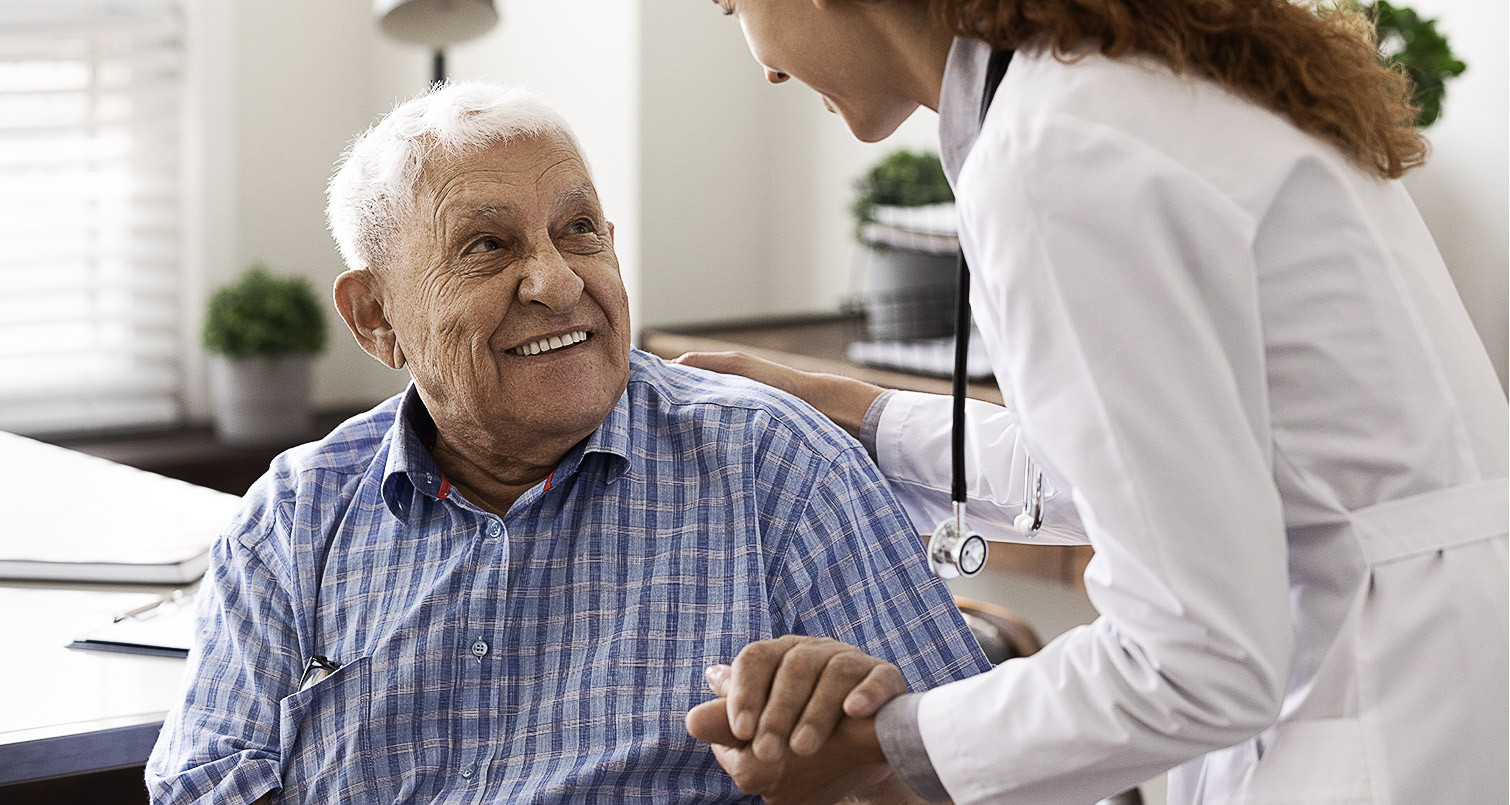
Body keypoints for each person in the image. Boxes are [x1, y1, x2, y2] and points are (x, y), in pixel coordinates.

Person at [680, 1, 1510, 803]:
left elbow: (1195, 660)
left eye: (730, 5)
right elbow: (1163, 464)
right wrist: (867, 417)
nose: (766, 68)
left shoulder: (1053, 152)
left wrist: (885, 746)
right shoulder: (1143, 83)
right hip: (1444, 670)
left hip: (1382, 723)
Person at [144, 81, 992, 804]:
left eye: (579, 229)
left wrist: (860, 775)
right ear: (376, 317)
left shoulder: (775, 469)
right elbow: (203, 782)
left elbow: (988, 781)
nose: (556, 281)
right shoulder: (294, 517)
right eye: (487, 245)